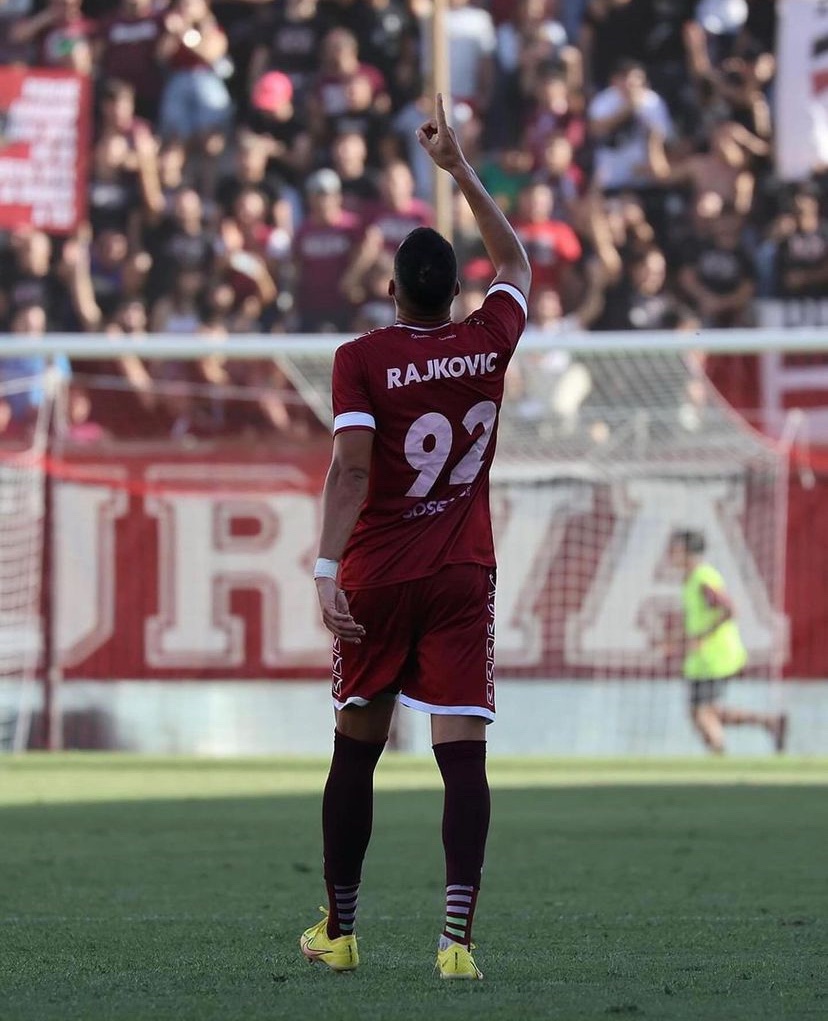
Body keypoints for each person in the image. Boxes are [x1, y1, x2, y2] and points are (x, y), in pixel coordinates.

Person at [300, 95, 531, 981]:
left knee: (356, 749)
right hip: (463, 570)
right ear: (457, 293)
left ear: (392, 290)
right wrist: (460, 169)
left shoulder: (361, 358)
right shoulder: (488, 339)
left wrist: (326, 565)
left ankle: (341, 930)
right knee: (462, 754)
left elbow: (352, 470)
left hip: (380, 576)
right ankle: (457, 942)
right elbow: (516, 262)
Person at [666, 529, 787, 755]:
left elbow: (729, 610)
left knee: (703, 713)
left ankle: (719, 757)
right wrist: (679, 639)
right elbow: (698, 620)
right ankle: (770, 722)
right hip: (702, 658)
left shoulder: (703, 578)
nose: (671, 553)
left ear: (689, 551)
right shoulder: (690, 580)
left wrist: (702, 637)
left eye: (676, 548)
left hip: (716, 655)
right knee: (704, 711)